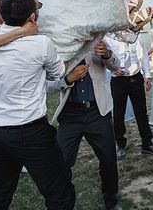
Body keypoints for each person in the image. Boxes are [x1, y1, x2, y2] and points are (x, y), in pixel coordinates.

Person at [0, 0, 76, 210]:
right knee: (60, 194)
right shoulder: (41, 44)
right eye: (38, 7)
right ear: (32, 17)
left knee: (0, 194)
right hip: (30, 132)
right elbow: (59, 72)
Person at [52, 40, 123, 210]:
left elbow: (116, 66)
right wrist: (69, 78)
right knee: (61, 161)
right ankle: (64, 201)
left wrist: (106, 54)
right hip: (70, 114)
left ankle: (111, 198)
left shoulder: (98, 40)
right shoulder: (59, 45)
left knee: (108, 159)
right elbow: (48, 84)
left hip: (97, 112)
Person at [104, 32, 153, 159]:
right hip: (118, 79)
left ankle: (147, 143)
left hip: (136, 78)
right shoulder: (109, 36)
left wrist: (147, 75)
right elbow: (104, 57)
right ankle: (120, 144)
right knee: (119, 113)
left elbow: (144, 56)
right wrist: (112, 68)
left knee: (141, 113)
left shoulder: (137, 36)